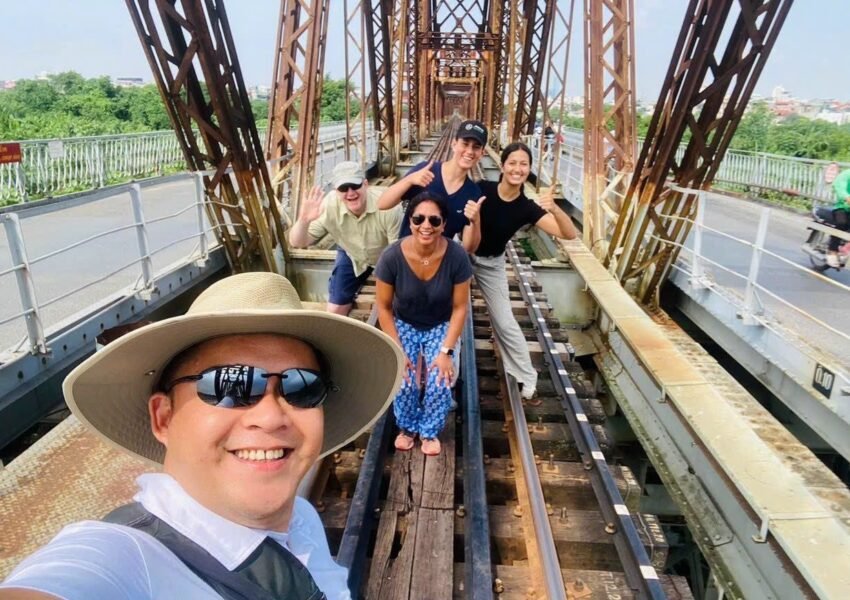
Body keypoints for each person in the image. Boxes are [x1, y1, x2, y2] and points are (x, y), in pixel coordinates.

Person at [0, 272, 404, 600]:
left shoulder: (303, 519)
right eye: (229, 385)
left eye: (302, 387)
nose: (270, 416)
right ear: (164, 417)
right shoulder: (125, 556)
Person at [474, 141, 578, 403]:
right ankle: (445, 379)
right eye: (512, 163)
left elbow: (568, 234)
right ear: (502, 165)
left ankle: (526, 377)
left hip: (491, 263)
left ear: (529, 169)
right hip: (463, 255)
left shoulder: (526, 207)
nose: (517, 169)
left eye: (523, 164)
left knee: (505, 321)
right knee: (449, 314)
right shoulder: (482, 189)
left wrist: (554, 208)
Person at [374, 192, 473, 456]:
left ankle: (429, 430)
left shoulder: (456, 257)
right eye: (418, 219)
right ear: (410, 221)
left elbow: (460, 307)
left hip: (440, 322)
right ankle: (407, 427)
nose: (425, 225)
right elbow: (383, 307)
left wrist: (446, 352)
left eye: (434, 220)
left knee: (440, 379)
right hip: (404, 321)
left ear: (444, 224)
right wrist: (397, 348)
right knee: (403, 377)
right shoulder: (392, 256)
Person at [289, 161, 402, 315]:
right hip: (352, 254)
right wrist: (304, 220)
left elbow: (397, 254)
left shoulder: (388, 206)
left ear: (365, 184)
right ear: (336, 191)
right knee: (335, 309)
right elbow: (297, 242)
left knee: (396, 305)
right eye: (343, 188)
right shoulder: (328, 206)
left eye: (355, 186)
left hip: (386, 255)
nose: (350, 193)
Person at [377, 119, 488, 253]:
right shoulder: (425, 171)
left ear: (482, 153)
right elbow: (382, 204)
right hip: (407, 256)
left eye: (476, 147)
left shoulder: (473, 193)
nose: (469, 151)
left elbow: (469, 248)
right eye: (465, 144)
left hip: (439, 260)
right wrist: (409, 180)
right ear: (454, 144)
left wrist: (475, 221)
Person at [826, 167, 850, 268]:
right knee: (841, 223)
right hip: (843, 207)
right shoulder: (847, 174)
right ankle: (832, 250)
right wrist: (846, 197)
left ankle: (846, 249)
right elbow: (839, 186)